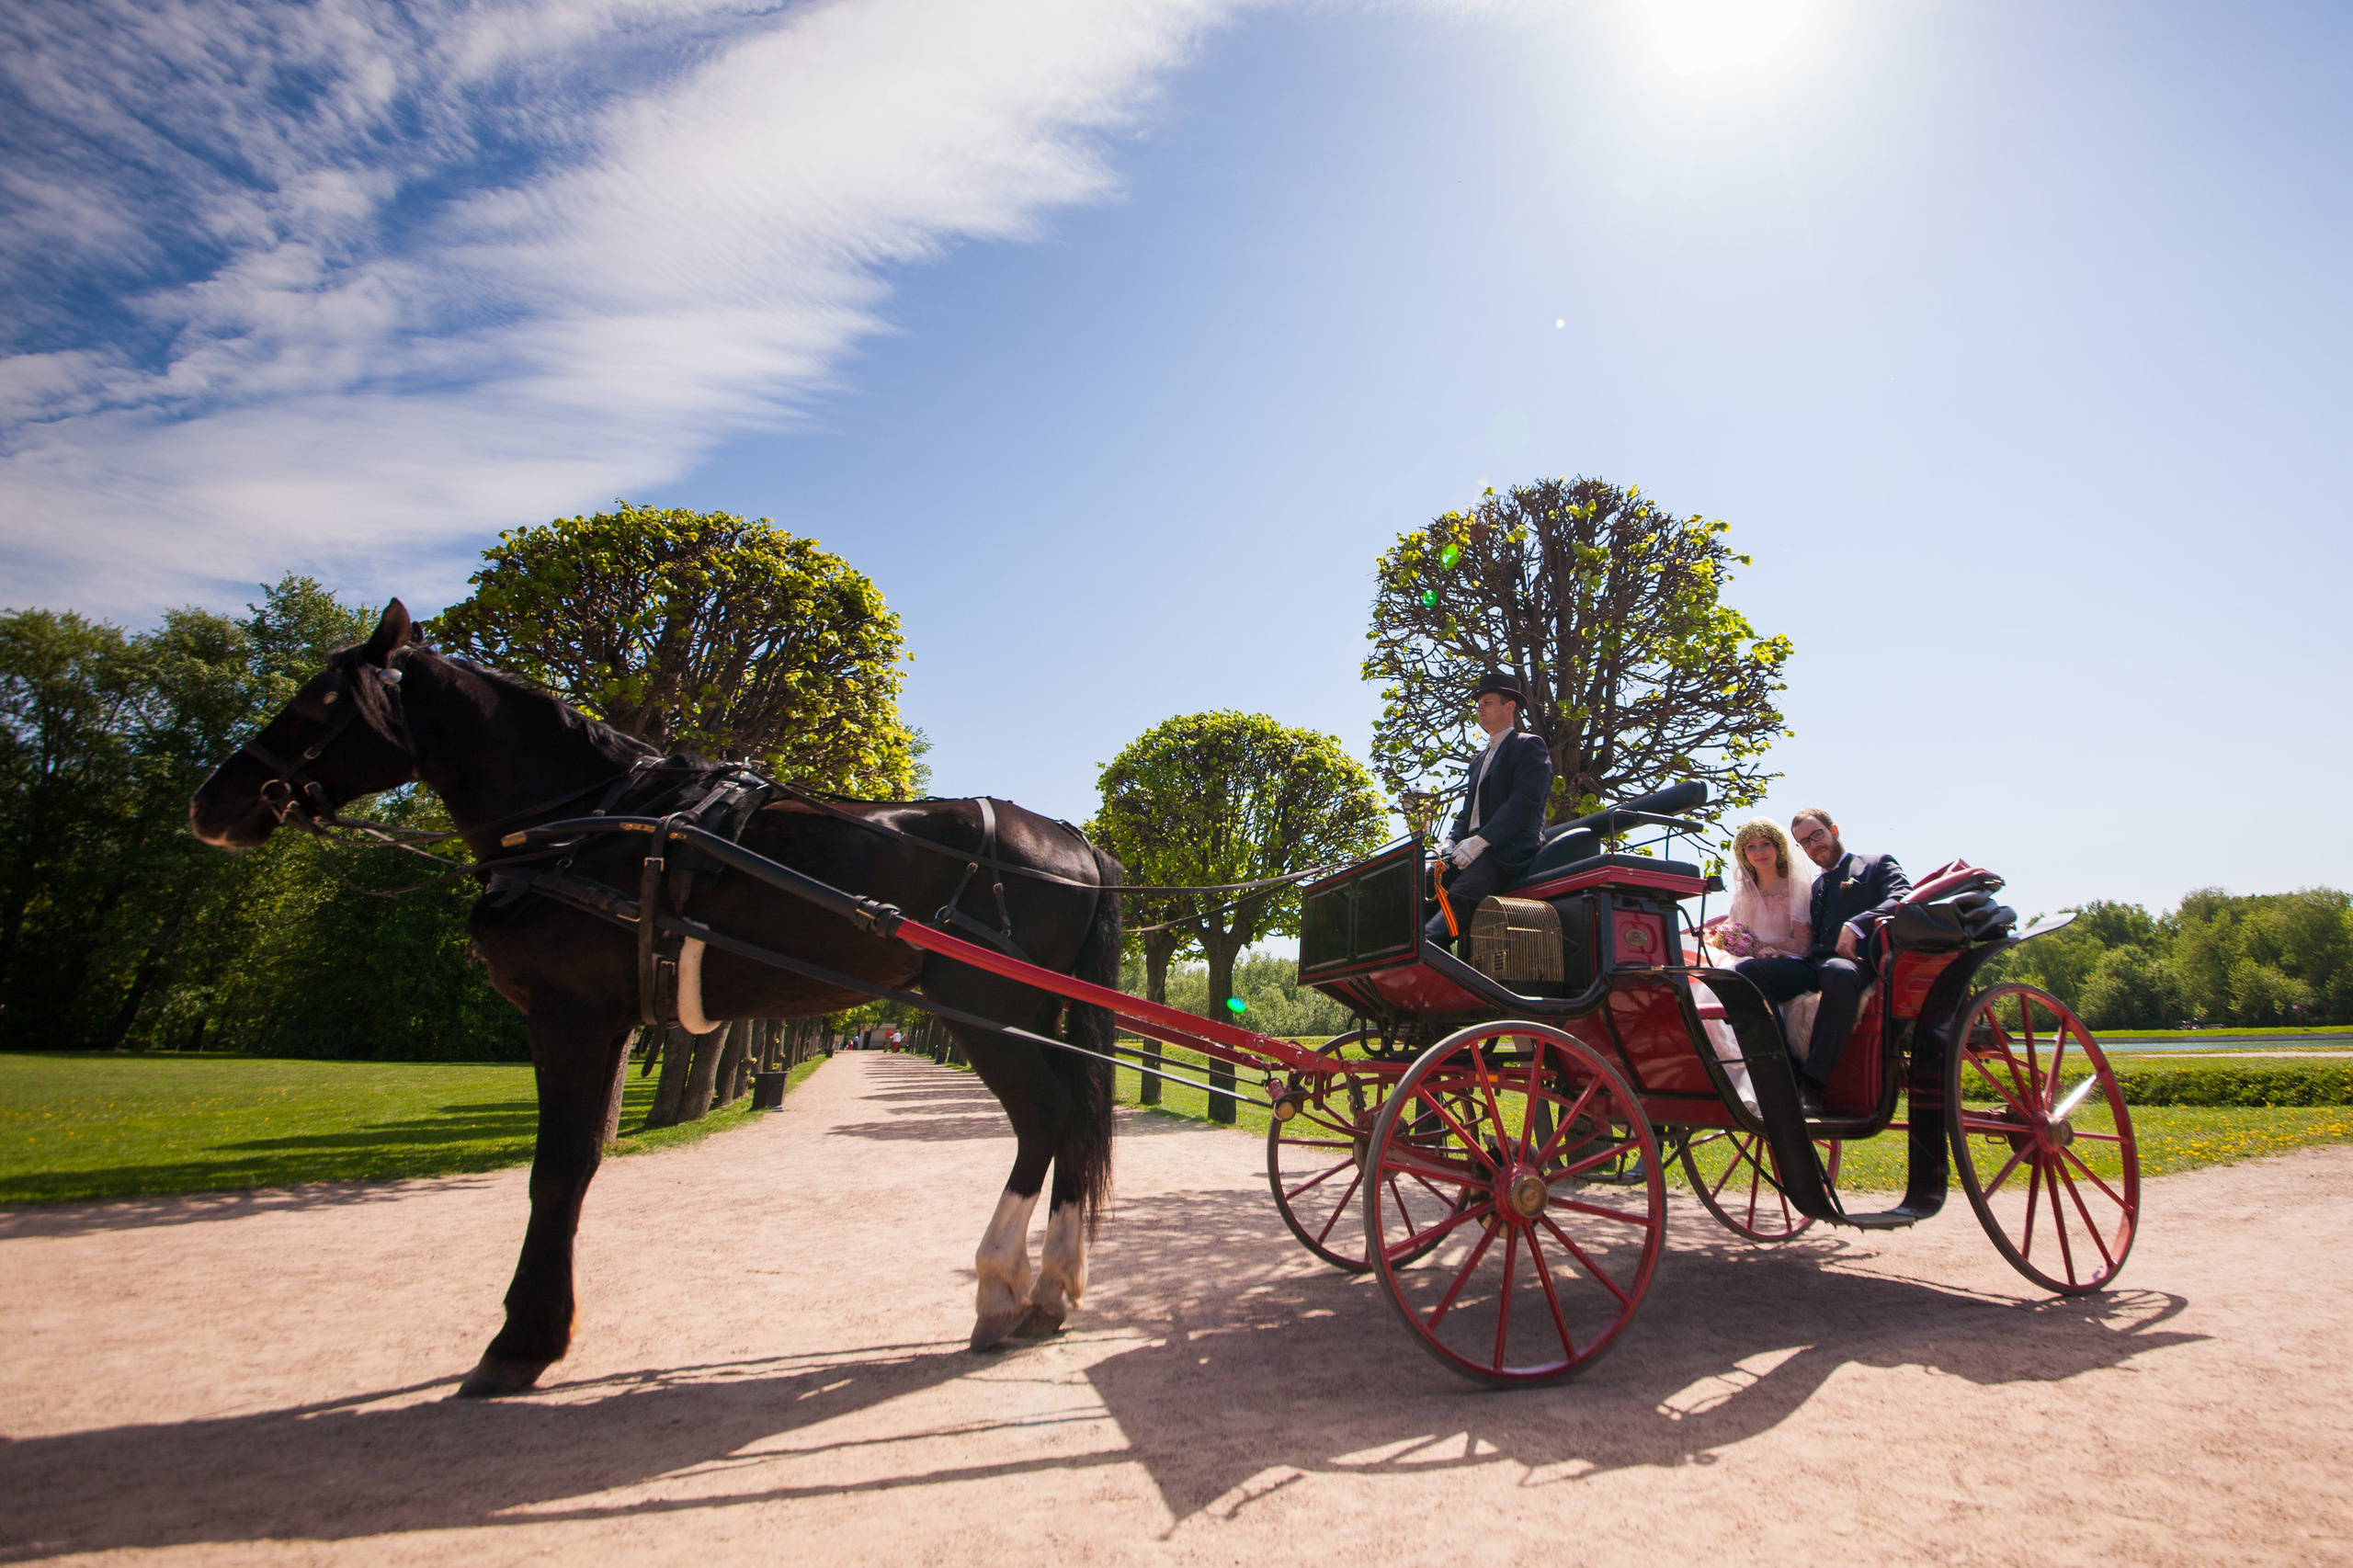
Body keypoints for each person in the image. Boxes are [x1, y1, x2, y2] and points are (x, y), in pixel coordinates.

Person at [1733, 808, 1910, 1119]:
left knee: (1835, 971)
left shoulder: (1874, 864)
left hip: (1858, 962)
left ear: (1834, 830)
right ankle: (1783, 1069)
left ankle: (1813, 1086)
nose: (1814, 846)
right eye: (1805, 842)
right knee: (1748, 973)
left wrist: (1857, 924)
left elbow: (1903, 897)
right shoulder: (1815, 886)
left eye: (1818, 835)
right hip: (1815, 965)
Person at [1424, 669, 1553, 950]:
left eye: (1488, 702)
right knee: (1422, 883)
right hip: (1471, 850)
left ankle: (1429, 947)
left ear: (1510, 706)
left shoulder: (1529, 746)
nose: (1480, 709)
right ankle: (1406, 947)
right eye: (1479, 704)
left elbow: (1524, 803)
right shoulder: (1478, 760)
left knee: (1461, 895)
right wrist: (1450, 841)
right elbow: (1466, 814)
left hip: (1507, 850)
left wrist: (1482, 841)